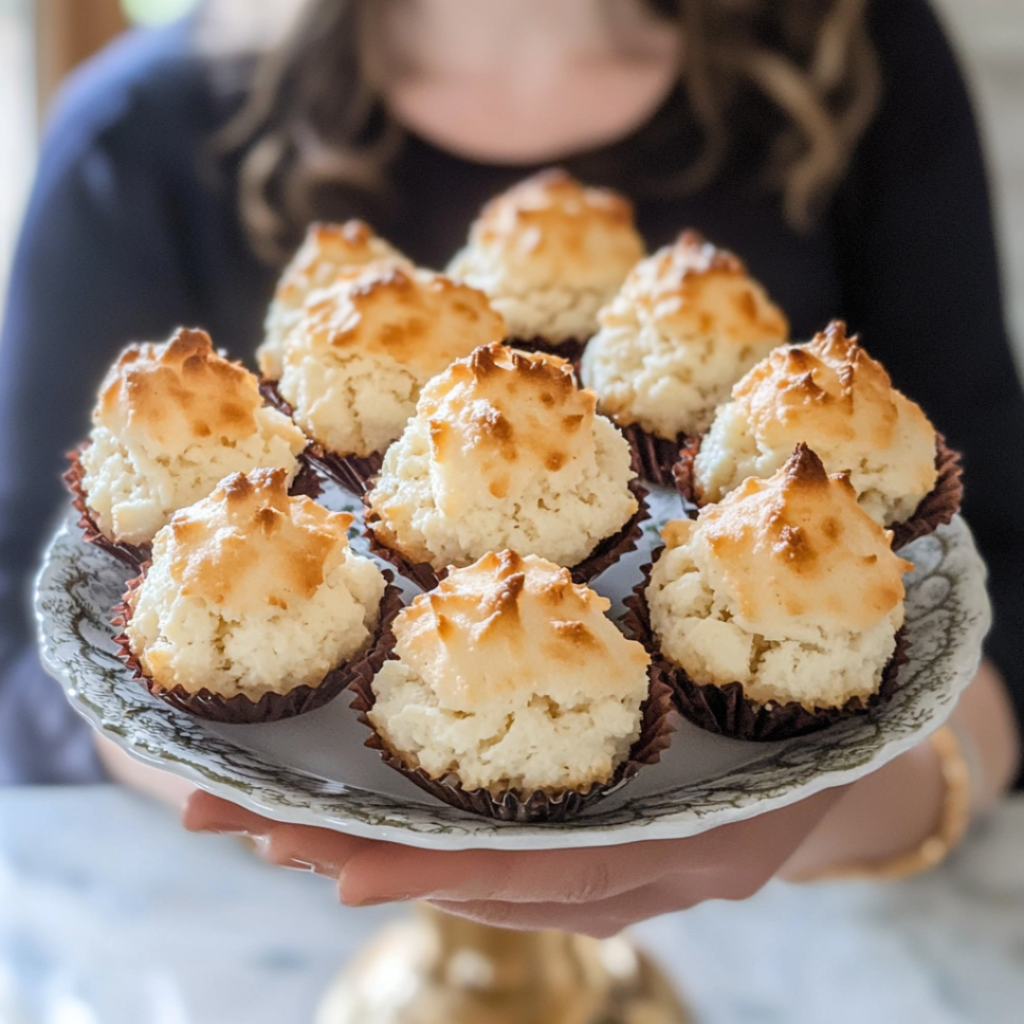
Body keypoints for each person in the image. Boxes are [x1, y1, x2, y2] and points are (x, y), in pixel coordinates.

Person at [1, 0, 1021, 937]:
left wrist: (869, 797)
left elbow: (1003, 555)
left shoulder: (855, 48)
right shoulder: (134, 136)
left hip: (810, 947)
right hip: (226, 939)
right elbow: (27, 630)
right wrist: (185, 750)